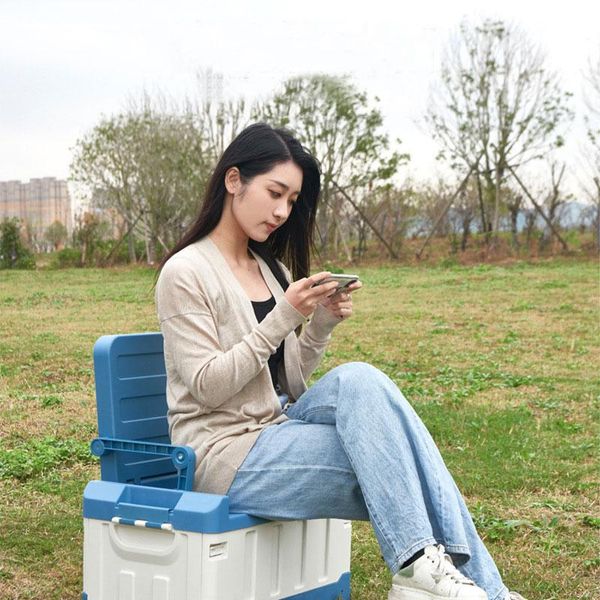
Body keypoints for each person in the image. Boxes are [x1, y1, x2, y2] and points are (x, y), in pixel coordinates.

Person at [155, 122, 527, 600]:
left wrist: (320, 325)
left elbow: (286, 378)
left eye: (291, 201)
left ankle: (435, 578)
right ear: (233, 181)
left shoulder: (273, 271)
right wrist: (283, 315)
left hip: (276, 428)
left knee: (360, 379)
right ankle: (468, 587)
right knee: (401, 461)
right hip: (225, 454)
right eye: (275, 193)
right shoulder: (185, 272)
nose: (282, 211)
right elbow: (207, 387)